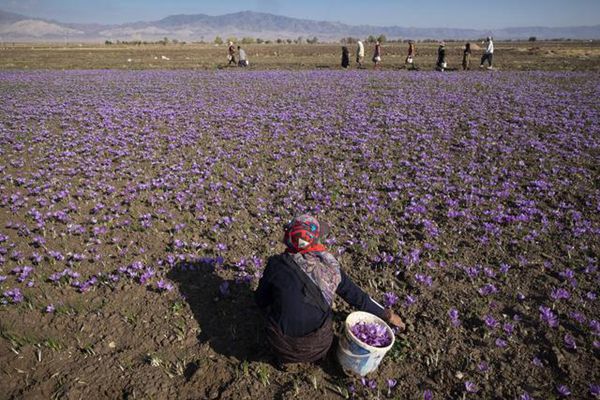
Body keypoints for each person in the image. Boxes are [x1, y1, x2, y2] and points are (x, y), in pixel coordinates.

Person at [255, 214, 405, 366]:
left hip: (281, 347)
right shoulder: (330, 268)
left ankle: (284, 359)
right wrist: (386, 315)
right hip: (319, 346)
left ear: (288, 237)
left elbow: (260, 301)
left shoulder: (276, 264)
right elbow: (357, 297)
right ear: (315, 240)